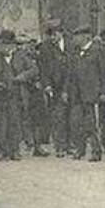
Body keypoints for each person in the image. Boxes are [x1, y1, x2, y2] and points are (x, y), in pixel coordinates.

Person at [66, 25, 105, 161]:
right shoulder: (75, 52)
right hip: (76, 94)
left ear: (86, 37)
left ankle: (96, 151)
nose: (75, 39)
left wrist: (103, 92)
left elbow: (104, 73)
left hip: (92, 94)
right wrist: (66, 91)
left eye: (77, 36)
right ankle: (80, 149)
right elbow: (70, 74)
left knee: (92, 124)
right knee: (76, 123)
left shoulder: (98, 51)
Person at [39, 19, 71, 157]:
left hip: (71, 86)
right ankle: (60, 147)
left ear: (61, 33)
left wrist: (67, 89)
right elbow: (43, 69)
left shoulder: (71, 45)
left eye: (54, 34)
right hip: (54, 88)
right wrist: (46, 85)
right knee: (58, 117)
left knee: (71, 117)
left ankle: (71, 145)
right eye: (50, 34)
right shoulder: (45, 48)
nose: (52, 37)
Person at [0, 29, 22, 160]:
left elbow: (33, 69)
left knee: (14, 123)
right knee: (1, 125)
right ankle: (3, 151)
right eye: (2, 44)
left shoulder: (20, 56)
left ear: (13, 45)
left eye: (7, 44)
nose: (4, 47)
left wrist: (21, 77)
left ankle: (15, 151)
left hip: (15, 96)